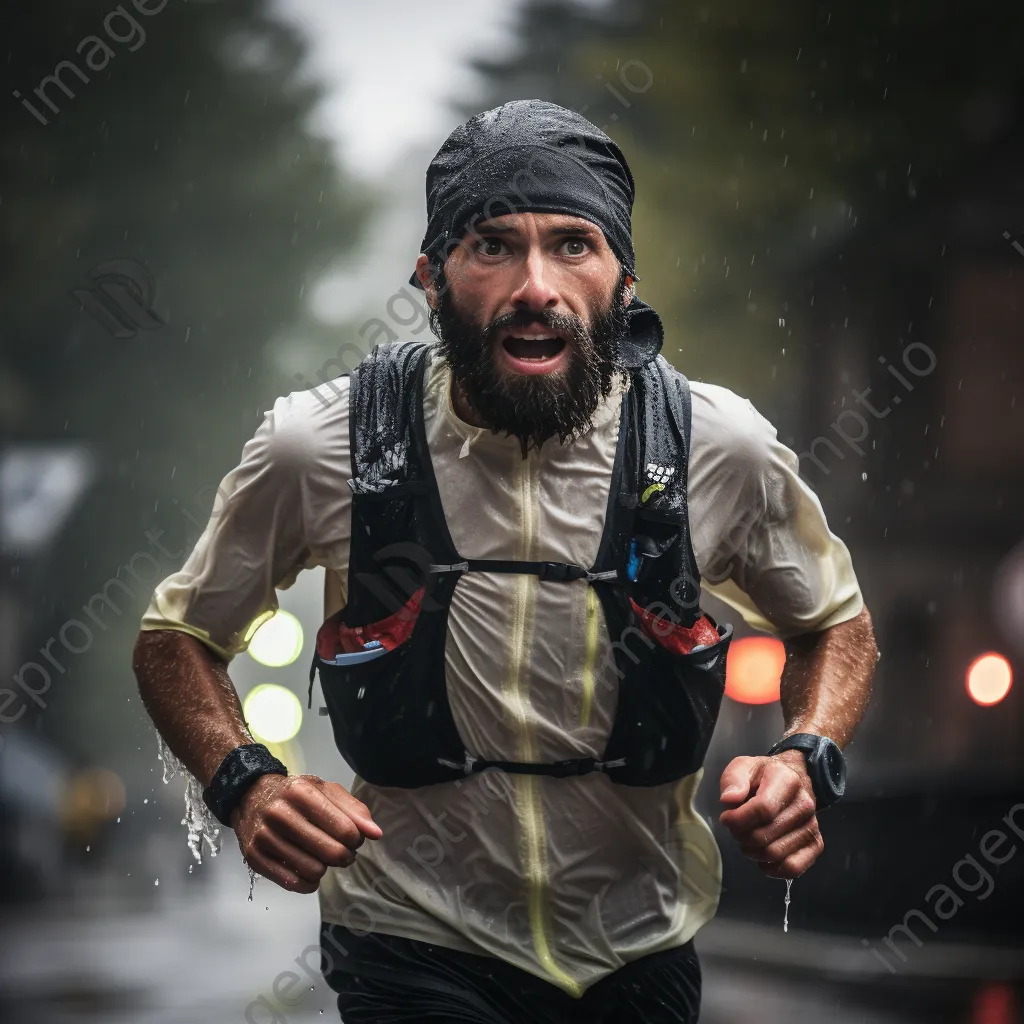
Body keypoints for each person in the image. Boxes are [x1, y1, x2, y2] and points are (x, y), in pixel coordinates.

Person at [134, 100, 877, 1023]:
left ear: (624, 282)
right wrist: (246, 782)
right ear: (431, 279)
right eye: (492, 246)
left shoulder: (714, 447)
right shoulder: (320, 445)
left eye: (573, 243)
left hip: (639, 947)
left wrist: (807, 756)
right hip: (409, 940)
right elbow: (177, 636)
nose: (536, 285)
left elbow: (834, 623)